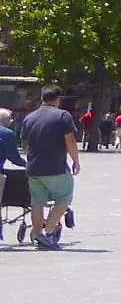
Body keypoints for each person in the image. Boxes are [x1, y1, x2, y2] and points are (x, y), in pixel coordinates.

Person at [22, 87, 80, 250]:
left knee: (37, 202)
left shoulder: (29, 117)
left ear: (42, 99)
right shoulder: (62, 115)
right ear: (58, 99)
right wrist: (76, 160)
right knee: (64, 197)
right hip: (55, 167)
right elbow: (70, 140)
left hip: (33, 168)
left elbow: (25, 144)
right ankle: (48, 231)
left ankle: (37, 233)